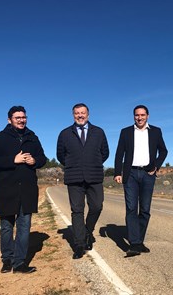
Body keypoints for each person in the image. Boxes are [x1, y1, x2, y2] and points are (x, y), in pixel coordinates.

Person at [0, 106, 47, 274]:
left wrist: (35, 161)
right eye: (17, 117)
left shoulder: (33, 138)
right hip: (7, 189)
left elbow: (43, 158)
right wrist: (13, 159)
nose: (21, 120)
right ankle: (7, 260)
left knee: (24, 227)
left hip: (27, 190)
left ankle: (19, 263)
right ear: (9, 120)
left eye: (23, 117)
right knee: (6, 226)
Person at [114, 104, 168, 257]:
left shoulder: (156, 131)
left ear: (147, 116)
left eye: (142, 115)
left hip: (148, 173)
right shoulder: (125, 132)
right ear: (134, 117)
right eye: (137, 115)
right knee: (131, 208)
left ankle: (139, 241)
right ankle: (135, 243)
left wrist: (156, 166)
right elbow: (119, 153)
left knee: (144, 209)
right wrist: (118, 172)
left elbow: (163, 151)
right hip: (130, 173)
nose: (139, 118)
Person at [57, 103, 109, 259]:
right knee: (77, 210)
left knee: (97, 206)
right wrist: (74, 165)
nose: (80, 115)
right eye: (77, 113)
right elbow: (61, 155)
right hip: (74, 178)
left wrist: (92, 163)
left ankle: (87, 231)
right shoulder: (65, 134)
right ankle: (79, 245)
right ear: (73, 115)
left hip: (94, 177)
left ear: (88, 114)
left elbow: (105, 153)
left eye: (83, 113)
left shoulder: (98, 132)